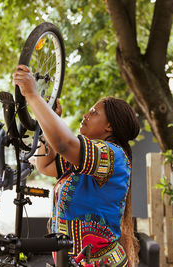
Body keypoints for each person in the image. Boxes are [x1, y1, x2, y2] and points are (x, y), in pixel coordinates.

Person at [13, 65, 140, 267]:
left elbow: (63, 144)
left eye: (94, 112)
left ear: (109, 126)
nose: (86, 115)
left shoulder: (113, 155)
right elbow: (45, 164)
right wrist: (45, 117)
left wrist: (32, 95)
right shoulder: (85, 160)